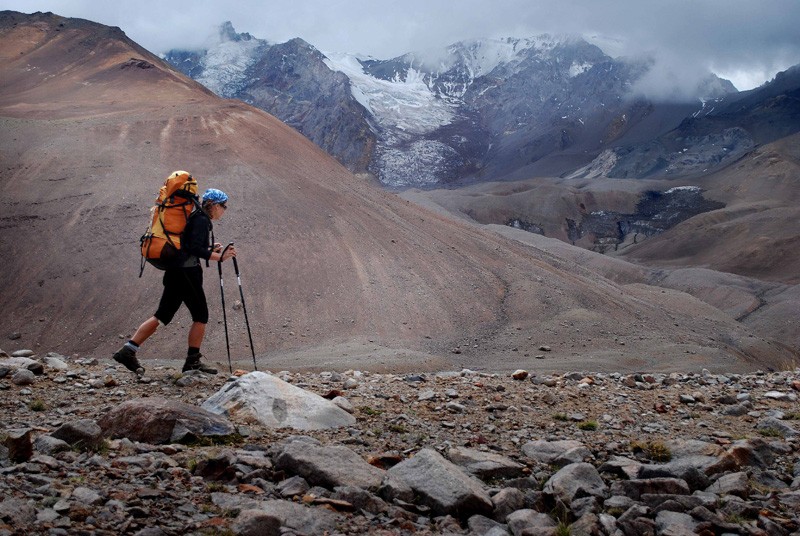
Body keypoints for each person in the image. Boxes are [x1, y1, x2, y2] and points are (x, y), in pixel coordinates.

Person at [112, 188, 236, 375]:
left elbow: (188, 246)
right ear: (214, 205)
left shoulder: (194, 217)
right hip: (187, 274)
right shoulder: (202, 220)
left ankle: (128, 350)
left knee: (163, 314)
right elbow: (194, 249)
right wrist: (220, 257)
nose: (224, 210)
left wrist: (210, 248)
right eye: (223, 206)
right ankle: (192, 361)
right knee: (201, 315)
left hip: (175, 272)